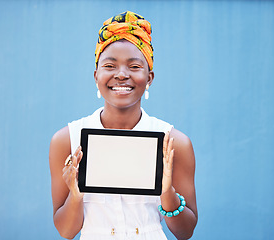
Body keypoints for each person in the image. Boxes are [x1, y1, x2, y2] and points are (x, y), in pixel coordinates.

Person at [49, 11, 198, 240]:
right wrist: (76, 194)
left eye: (134, 66)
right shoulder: (67, 140)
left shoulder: (173, 142)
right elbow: (66, 231)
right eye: (110, 65)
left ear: (149, 78)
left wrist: (166, 191)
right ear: (96, 75)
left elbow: (185, 231)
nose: (121, 75)